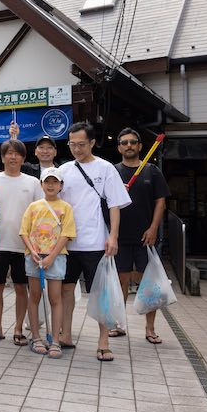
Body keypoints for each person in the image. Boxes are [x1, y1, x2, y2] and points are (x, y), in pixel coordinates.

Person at [58, 122, 132, 362]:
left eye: (81, 144)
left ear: (92, 143)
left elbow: (115, 204)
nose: (76, 149)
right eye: (72, 144)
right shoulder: (64, 170)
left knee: (99, 293)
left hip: (95, 242)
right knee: (66, 289)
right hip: (67, 242)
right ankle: (66, 335)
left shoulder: (106, 168)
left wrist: (113, 236)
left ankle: (103, 341)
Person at [114, 127, 170, 343]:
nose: (128, 145)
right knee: (120, 280)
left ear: (139, 146)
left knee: (149, 283)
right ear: (119, 147)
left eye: (132, 142)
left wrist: (154, 227)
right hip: (120, 236)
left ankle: (150, 328)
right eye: (124, 142)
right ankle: (119, 324)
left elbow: (160, 202)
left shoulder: (151, 171)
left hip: (146, 236)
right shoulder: (113, 172)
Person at [0, 139, 42, 346]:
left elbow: (39, 214)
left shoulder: (33, 182)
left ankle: (19, 328)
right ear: (2, 157)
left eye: (17, 153)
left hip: (24, 245)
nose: (13, 157)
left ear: (23, 158)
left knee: (21, 288)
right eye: (8, 153)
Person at [19, 168, 76, 359]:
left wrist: (51, 256)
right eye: (47, 182)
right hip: (34, 257)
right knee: (34, 296)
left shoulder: (66, 208)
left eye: (55, 182)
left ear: (61, 185)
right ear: (41, 184)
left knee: (55, 298)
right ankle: (36, 338)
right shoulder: (33, 206)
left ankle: (55, 341)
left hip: (56, 257)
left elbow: (67, 234)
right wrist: (33, 251)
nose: (51, 185)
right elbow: (24, 232)